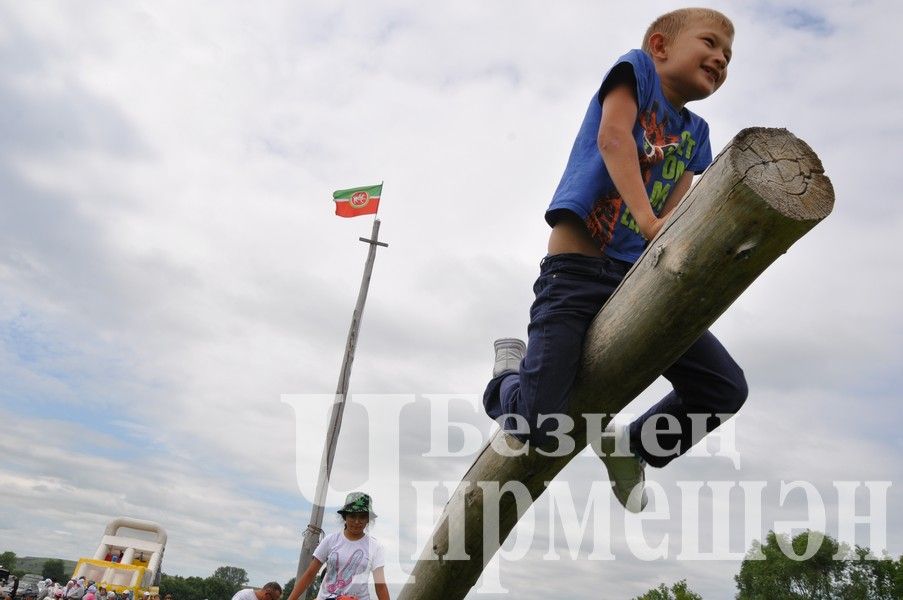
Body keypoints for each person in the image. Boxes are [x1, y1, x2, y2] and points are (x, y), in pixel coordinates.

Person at [483, 7, 746, 513]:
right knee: (539, 425)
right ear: (660, 45)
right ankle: (504, 378)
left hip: (636, 282)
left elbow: (677, 214)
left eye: (728, 56)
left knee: (723, 387)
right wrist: (648, 223)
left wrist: (665, 243)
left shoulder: (697, 134)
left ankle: (636, 447)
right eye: (710, 43)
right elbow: (612, 139)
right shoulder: (637, 73)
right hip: (576, 273)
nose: (719, 58)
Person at [287, 492, 389, 600]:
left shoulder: (375, 547)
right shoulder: (330, 540)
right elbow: (309, 575)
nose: (357, 521)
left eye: (362, 517)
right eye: (352, 516)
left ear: (368, 519)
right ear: (345, 516)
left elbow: (380, 586)